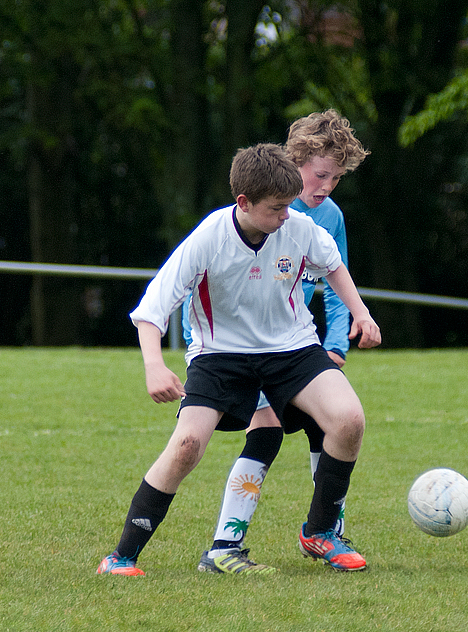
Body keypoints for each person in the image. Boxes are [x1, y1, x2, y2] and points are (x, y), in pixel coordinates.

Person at [97, 142, 380, 577]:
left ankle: (321, 531)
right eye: (277, 208)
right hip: (220, 354)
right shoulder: (210, 237)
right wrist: (154, 365)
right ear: (243, 203)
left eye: (289, 206)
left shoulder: (298, 226)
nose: (287, 215)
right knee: (187, 447)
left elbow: (333, 264)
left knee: (349, 419)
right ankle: (122, 556)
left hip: (291, 347)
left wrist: (360, 313)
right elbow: (153, 308)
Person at [191, 110, 369, 574]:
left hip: (292, 342)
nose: (327, 185)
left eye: (337, 177)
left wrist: (337, 345)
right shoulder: (259, 208)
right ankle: (225, 543)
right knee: (266, 432)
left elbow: (333, 280)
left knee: (329, 426)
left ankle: (326, 531)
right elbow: (209, 280)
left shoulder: (329, 216)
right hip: (237, 347)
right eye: (321, 174)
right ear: (296, 162)